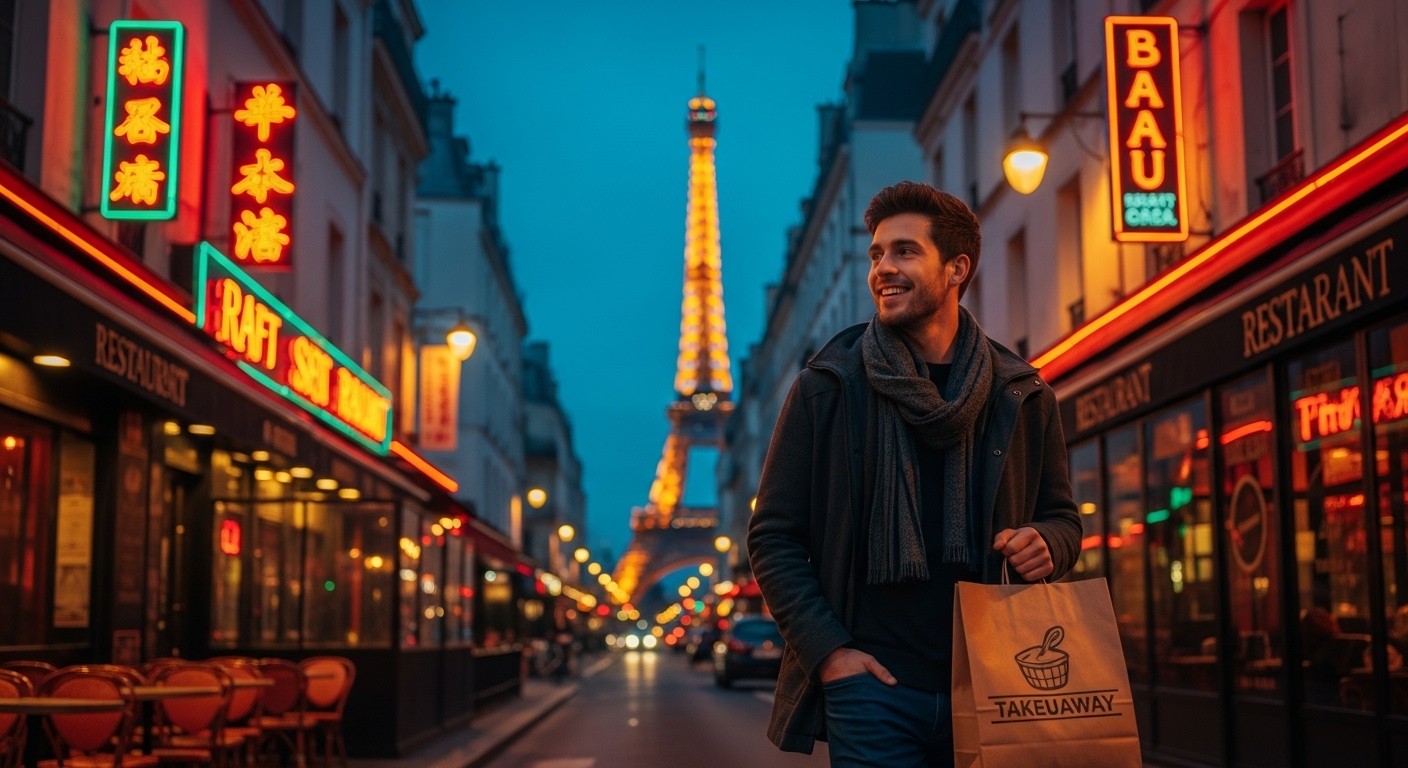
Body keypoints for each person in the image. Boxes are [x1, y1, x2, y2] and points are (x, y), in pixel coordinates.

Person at [747, 181, 1082, 766]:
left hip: (996, 683)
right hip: (873, 690)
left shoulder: (1020, 392)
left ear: (956, 268)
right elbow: (773, 536)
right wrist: (832, 656)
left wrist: (1047, 544)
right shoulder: (828, 386)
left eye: (904, 251)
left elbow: (1063, 520)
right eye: (877, 253)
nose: (883, 268)